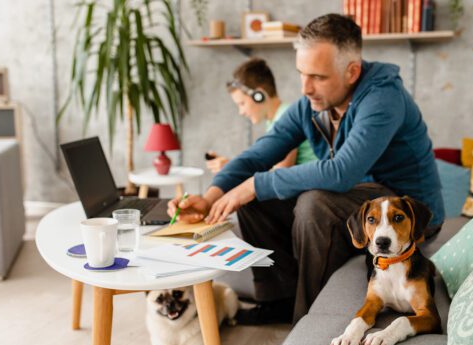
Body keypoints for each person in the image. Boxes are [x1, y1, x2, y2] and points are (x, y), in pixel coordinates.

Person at [169, 13, 444, 325]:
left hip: (406, 213)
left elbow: (342, 172)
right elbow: (257, 156)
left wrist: (256, 183)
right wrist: (210, 197)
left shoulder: (383, 98)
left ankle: (310, 321)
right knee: (255, 199)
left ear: (352, 71)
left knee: (314, 202)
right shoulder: (311, 105)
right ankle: (279, 301)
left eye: (318, 77)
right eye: (302, 74)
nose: (306, 88)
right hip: (358, 206)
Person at [206, 58, 317, 173]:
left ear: (259, 96)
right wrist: (233, 166)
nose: (241, 112)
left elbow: (278, 174)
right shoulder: (275, 119)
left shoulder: (285, 119)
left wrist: (235, 169)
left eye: (242, 104)